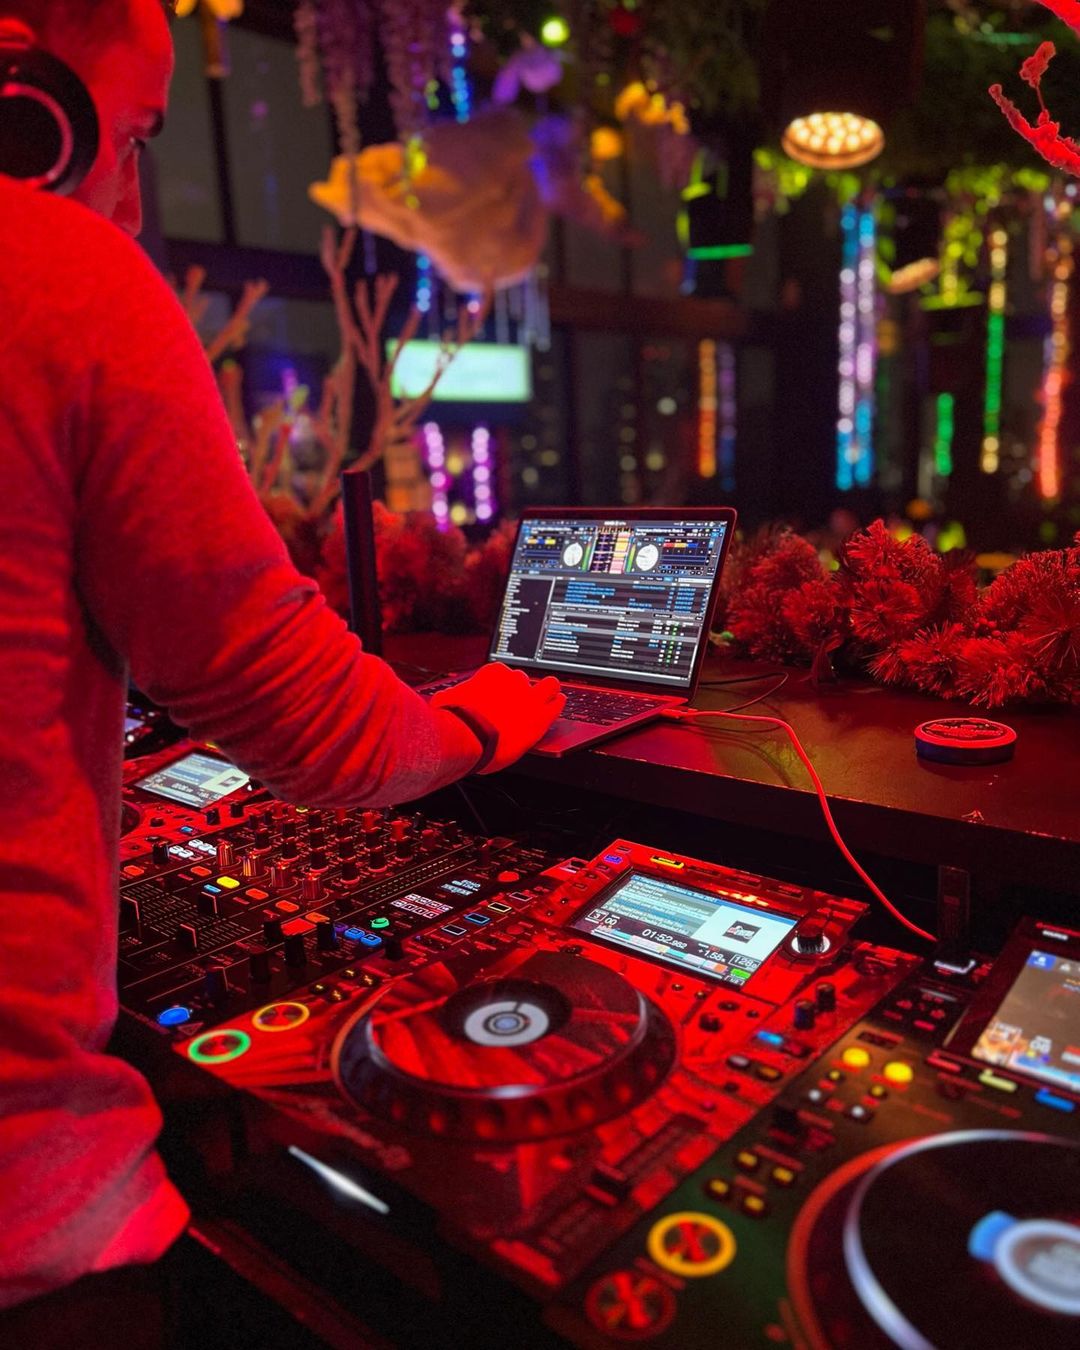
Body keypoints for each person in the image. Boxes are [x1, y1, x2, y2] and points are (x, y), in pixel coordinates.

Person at [0, 0, 564, 1326]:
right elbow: (304, 713)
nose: (131, 199)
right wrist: (479, 722)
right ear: (26, 102)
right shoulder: (55, 265)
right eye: (134, 135)